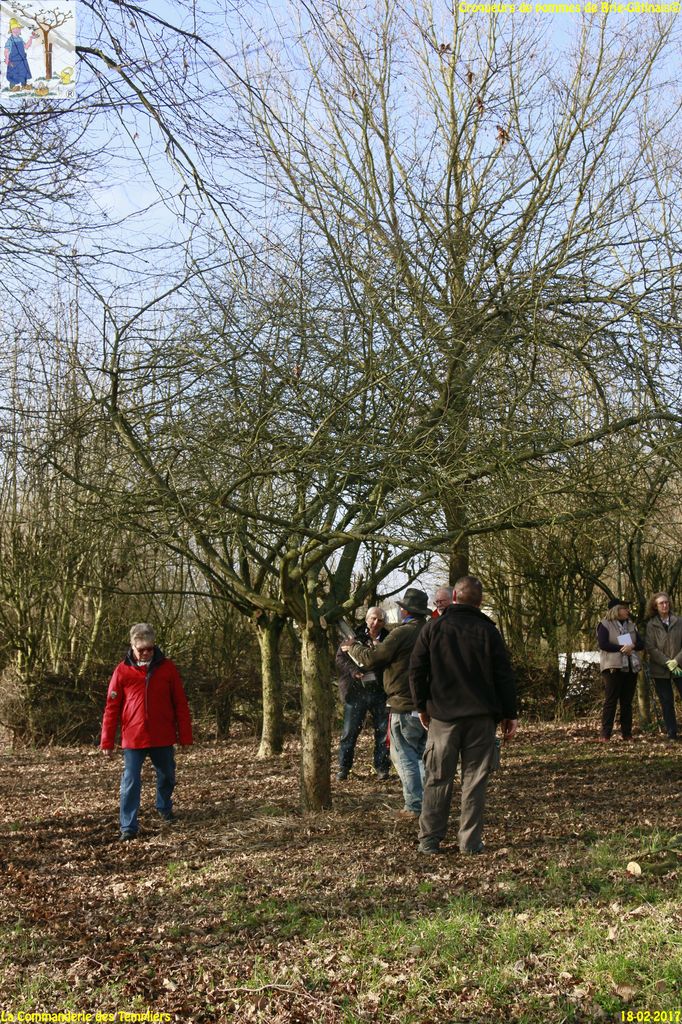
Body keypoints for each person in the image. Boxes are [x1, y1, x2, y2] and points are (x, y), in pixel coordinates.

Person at [409, 575, 517, 855]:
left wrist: (421, 706)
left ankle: (429, 839)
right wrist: (510, 713)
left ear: (454, 597)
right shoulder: (489, 631)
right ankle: (469, 842)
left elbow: (417, 670)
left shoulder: (433, 628)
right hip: (481, 717)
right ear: (480, 602)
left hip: (443, 716)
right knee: (475, 782)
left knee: (437, 778)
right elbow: (504, 675)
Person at [100, 623, 193, 840]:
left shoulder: (168, 668)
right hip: (133, 737)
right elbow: (111, 707)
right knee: (130, 781)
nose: (146, 653)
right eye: (141, 649)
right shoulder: (122, 671)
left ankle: (164, 807)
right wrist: (107, 741)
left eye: (150, 648)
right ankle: (128, 827)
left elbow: (180, 703)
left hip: (162, 735)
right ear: (132, 646)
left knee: (167, 775)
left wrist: (185, 736)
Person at [341, 589, 429, 817]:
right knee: (421, 755)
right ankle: (430, 803)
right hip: (427, 704)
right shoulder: (431, 630)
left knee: (404, 756)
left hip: (403, 702)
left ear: (405, 611)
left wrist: (353, 647)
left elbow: (372, 659)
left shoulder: (401, 633)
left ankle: (415, 806)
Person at [335, 607, 390, 781]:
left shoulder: (389, 638)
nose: (376, 623)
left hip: (380, 691)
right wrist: (354, 671)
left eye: (380, 620)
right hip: (356, 691)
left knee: (383, 732)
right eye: (373, 618)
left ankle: (382, 768)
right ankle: (343, 768)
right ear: (366, 619)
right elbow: (340, 659)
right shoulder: (353, 636)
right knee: (349, 732)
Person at [596, 598, 644, 742]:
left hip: (630, 667)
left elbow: (641, 643)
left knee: (627, 702)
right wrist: (622, 648)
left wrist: (632, 646)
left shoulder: (631, 625)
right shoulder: (604, 624)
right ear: (616, 610)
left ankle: (627, 734)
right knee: (611, 701)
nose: (628, 610)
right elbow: (603, 644)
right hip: (613, 668)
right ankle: (605, 734)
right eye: (624, 608)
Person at [644, 592, 682, 740]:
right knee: (666, 702)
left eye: (666, 602)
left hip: (680, 667)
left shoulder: (679, 621)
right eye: (661, 603)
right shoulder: (651, 625)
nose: (665, 605)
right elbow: (650, 648)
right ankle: (672, 733)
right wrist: (667, 662)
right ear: (655, 606)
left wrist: (676, 661)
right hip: (660, 669)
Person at [4, 18, 34, 91]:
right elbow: (6, 50)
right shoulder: (10, 40)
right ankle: (14, 86)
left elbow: (26, 46)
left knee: (24, 72)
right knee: (14, 73)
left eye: (18, 28)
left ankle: (25, 85)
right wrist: (7, 59)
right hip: (14, 60)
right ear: (11, 30)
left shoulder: (20, 39)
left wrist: (31, 39)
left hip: (22, 60)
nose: (17, 30)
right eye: (14, 28)